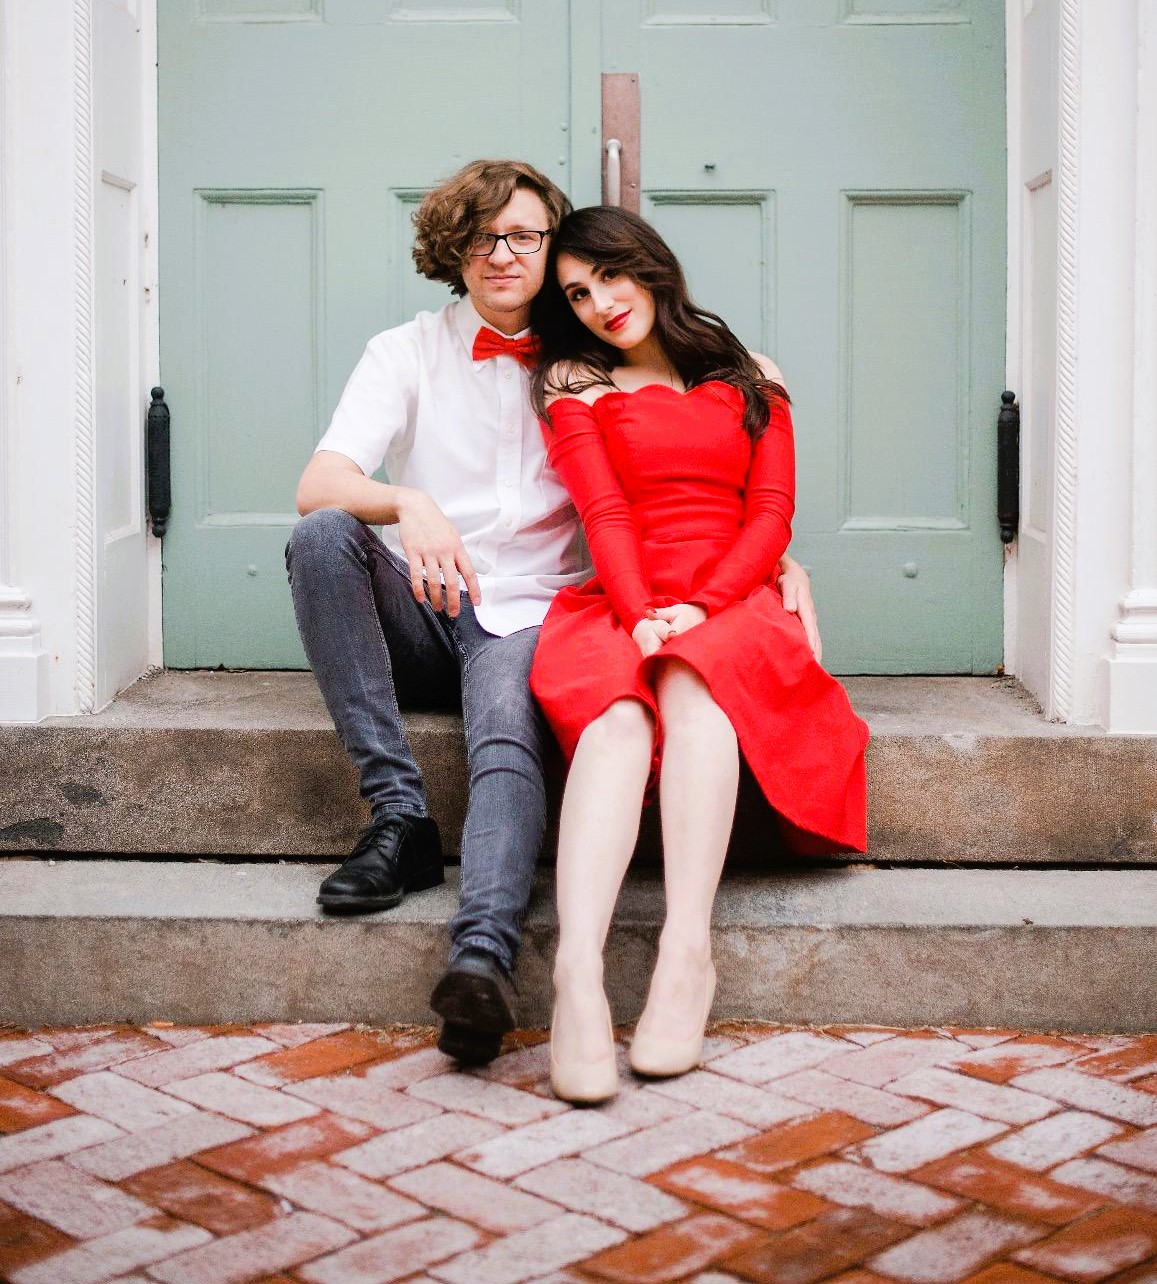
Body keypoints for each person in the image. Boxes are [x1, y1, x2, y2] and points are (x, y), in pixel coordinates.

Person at [287, 160, 819, 1067]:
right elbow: (317, 484)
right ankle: (397, 815)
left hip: (534, 606)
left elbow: (681, 478)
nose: (503, 254)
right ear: (451, 251)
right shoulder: (406, 350)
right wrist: (409, 505)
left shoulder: (592, 363)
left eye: (525, 237)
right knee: (324, 535)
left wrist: (774, 559)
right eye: (482, 237)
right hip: (424, 599)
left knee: (505, 730)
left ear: (551, 249)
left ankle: (481, 963)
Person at [528, 206, 870, 1103]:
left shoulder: (753, 377)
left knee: (693, 684)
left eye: (610, 276)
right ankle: (577, 979)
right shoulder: (573, 382)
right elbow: (602, 514)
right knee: (612, 724)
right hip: (619, 600)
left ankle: (687, 953)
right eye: (576, 292)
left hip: (733, 597)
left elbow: (770, 514)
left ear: (649, 269)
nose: (600, 302)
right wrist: (644, 614)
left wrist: (705, 607)